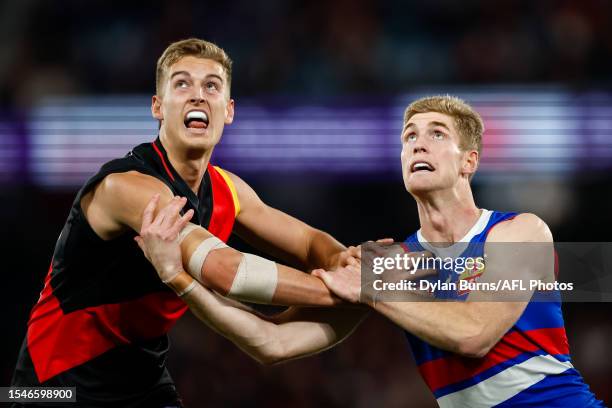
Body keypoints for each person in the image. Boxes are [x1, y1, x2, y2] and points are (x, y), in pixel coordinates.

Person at [136, 95, 603, 407]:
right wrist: (176, 277)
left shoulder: (520, 232)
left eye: (436, 133)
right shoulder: (385, 265)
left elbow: (474, 335)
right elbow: (271, 343)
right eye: (409, 136)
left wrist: (373, 287)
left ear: (469, 161)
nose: (418, 142)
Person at [11, 38, 363, 407]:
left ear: (228, 110)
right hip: (53, 387)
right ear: (158, 107)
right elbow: (226, 271)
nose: (198, 95)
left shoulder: (228, 191)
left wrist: (344, 262)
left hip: (141, 382)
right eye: (182, 84)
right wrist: (348, 288)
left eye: (211, 85)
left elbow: (309, 243)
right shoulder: (126, 186)